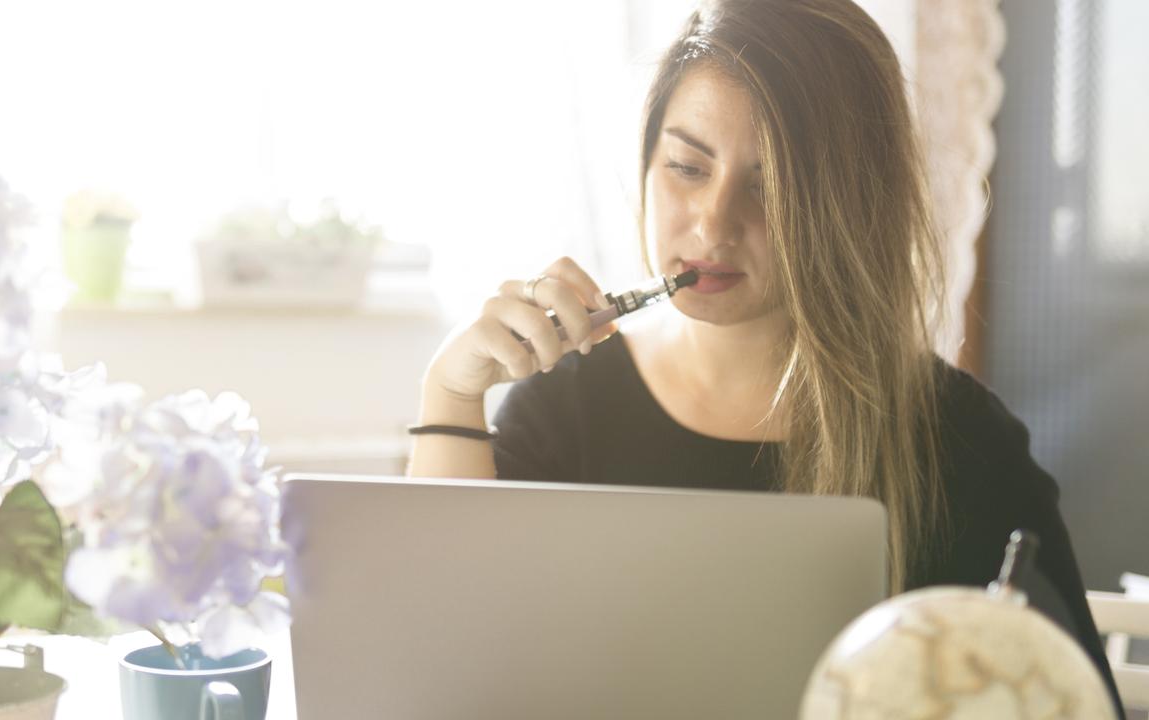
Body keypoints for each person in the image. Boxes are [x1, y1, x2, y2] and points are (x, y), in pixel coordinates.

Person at [407, 0, 1122, 712]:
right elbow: (430, 667)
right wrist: (451, 392)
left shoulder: (961, 442)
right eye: (687, 166)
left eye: (770, 183)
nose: (712, 223)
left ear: (850, 203)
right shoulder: (569, 406)